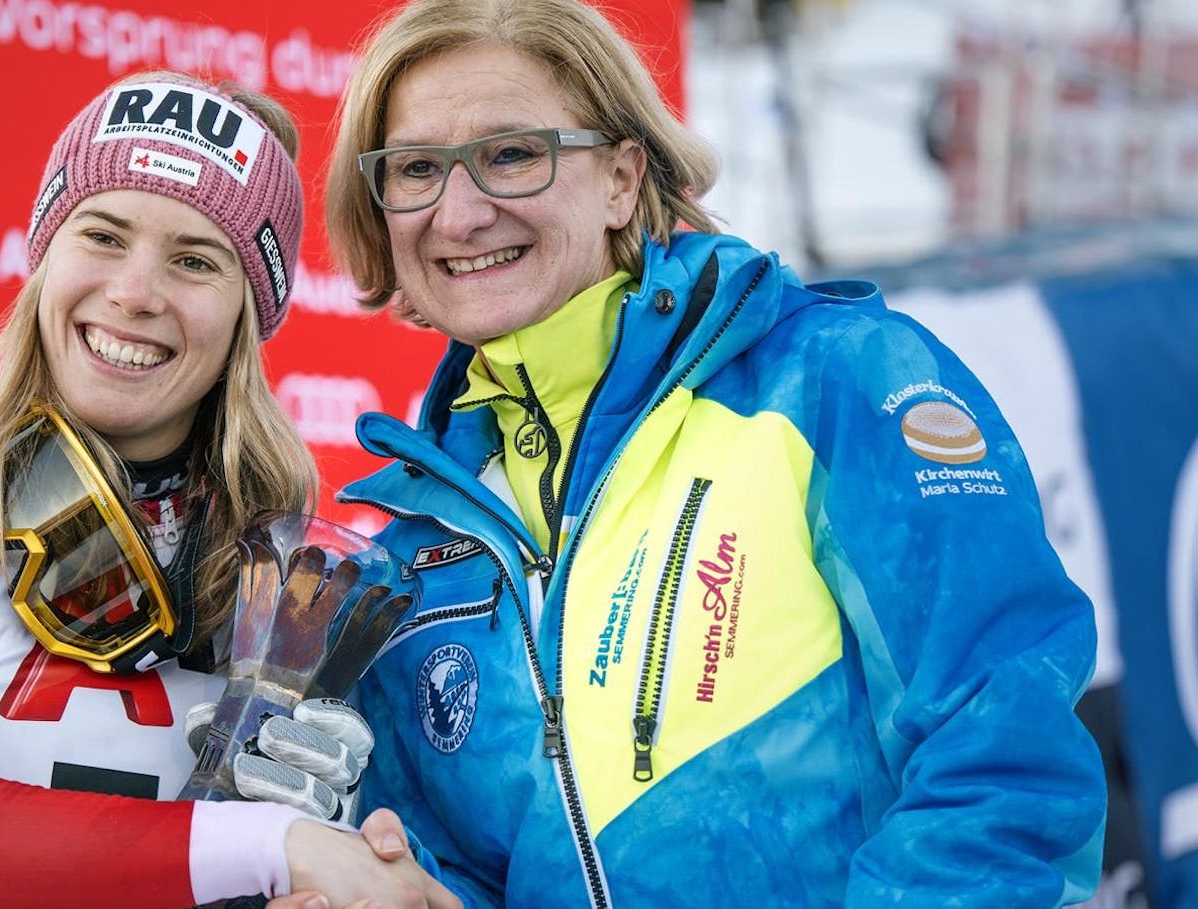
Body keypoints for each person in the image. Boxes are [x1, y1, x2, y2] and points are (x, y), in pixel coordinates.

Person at [321, 0, 1108, 905]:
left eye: (511, 154)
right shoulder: (414, 557)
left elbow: (1004, 753)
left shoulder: (831, 382)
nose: (459, 213)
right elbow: (478, 873)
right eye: (417, 169)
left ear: (622, 177)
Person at [0, 71, 456, 909]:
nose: (134, 292)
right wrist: (276, 845)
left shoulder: (291, 586)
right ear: (45, 254)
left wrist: (347, 873)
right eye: (102, 235)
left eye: (195, 260)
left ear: (248, 315)